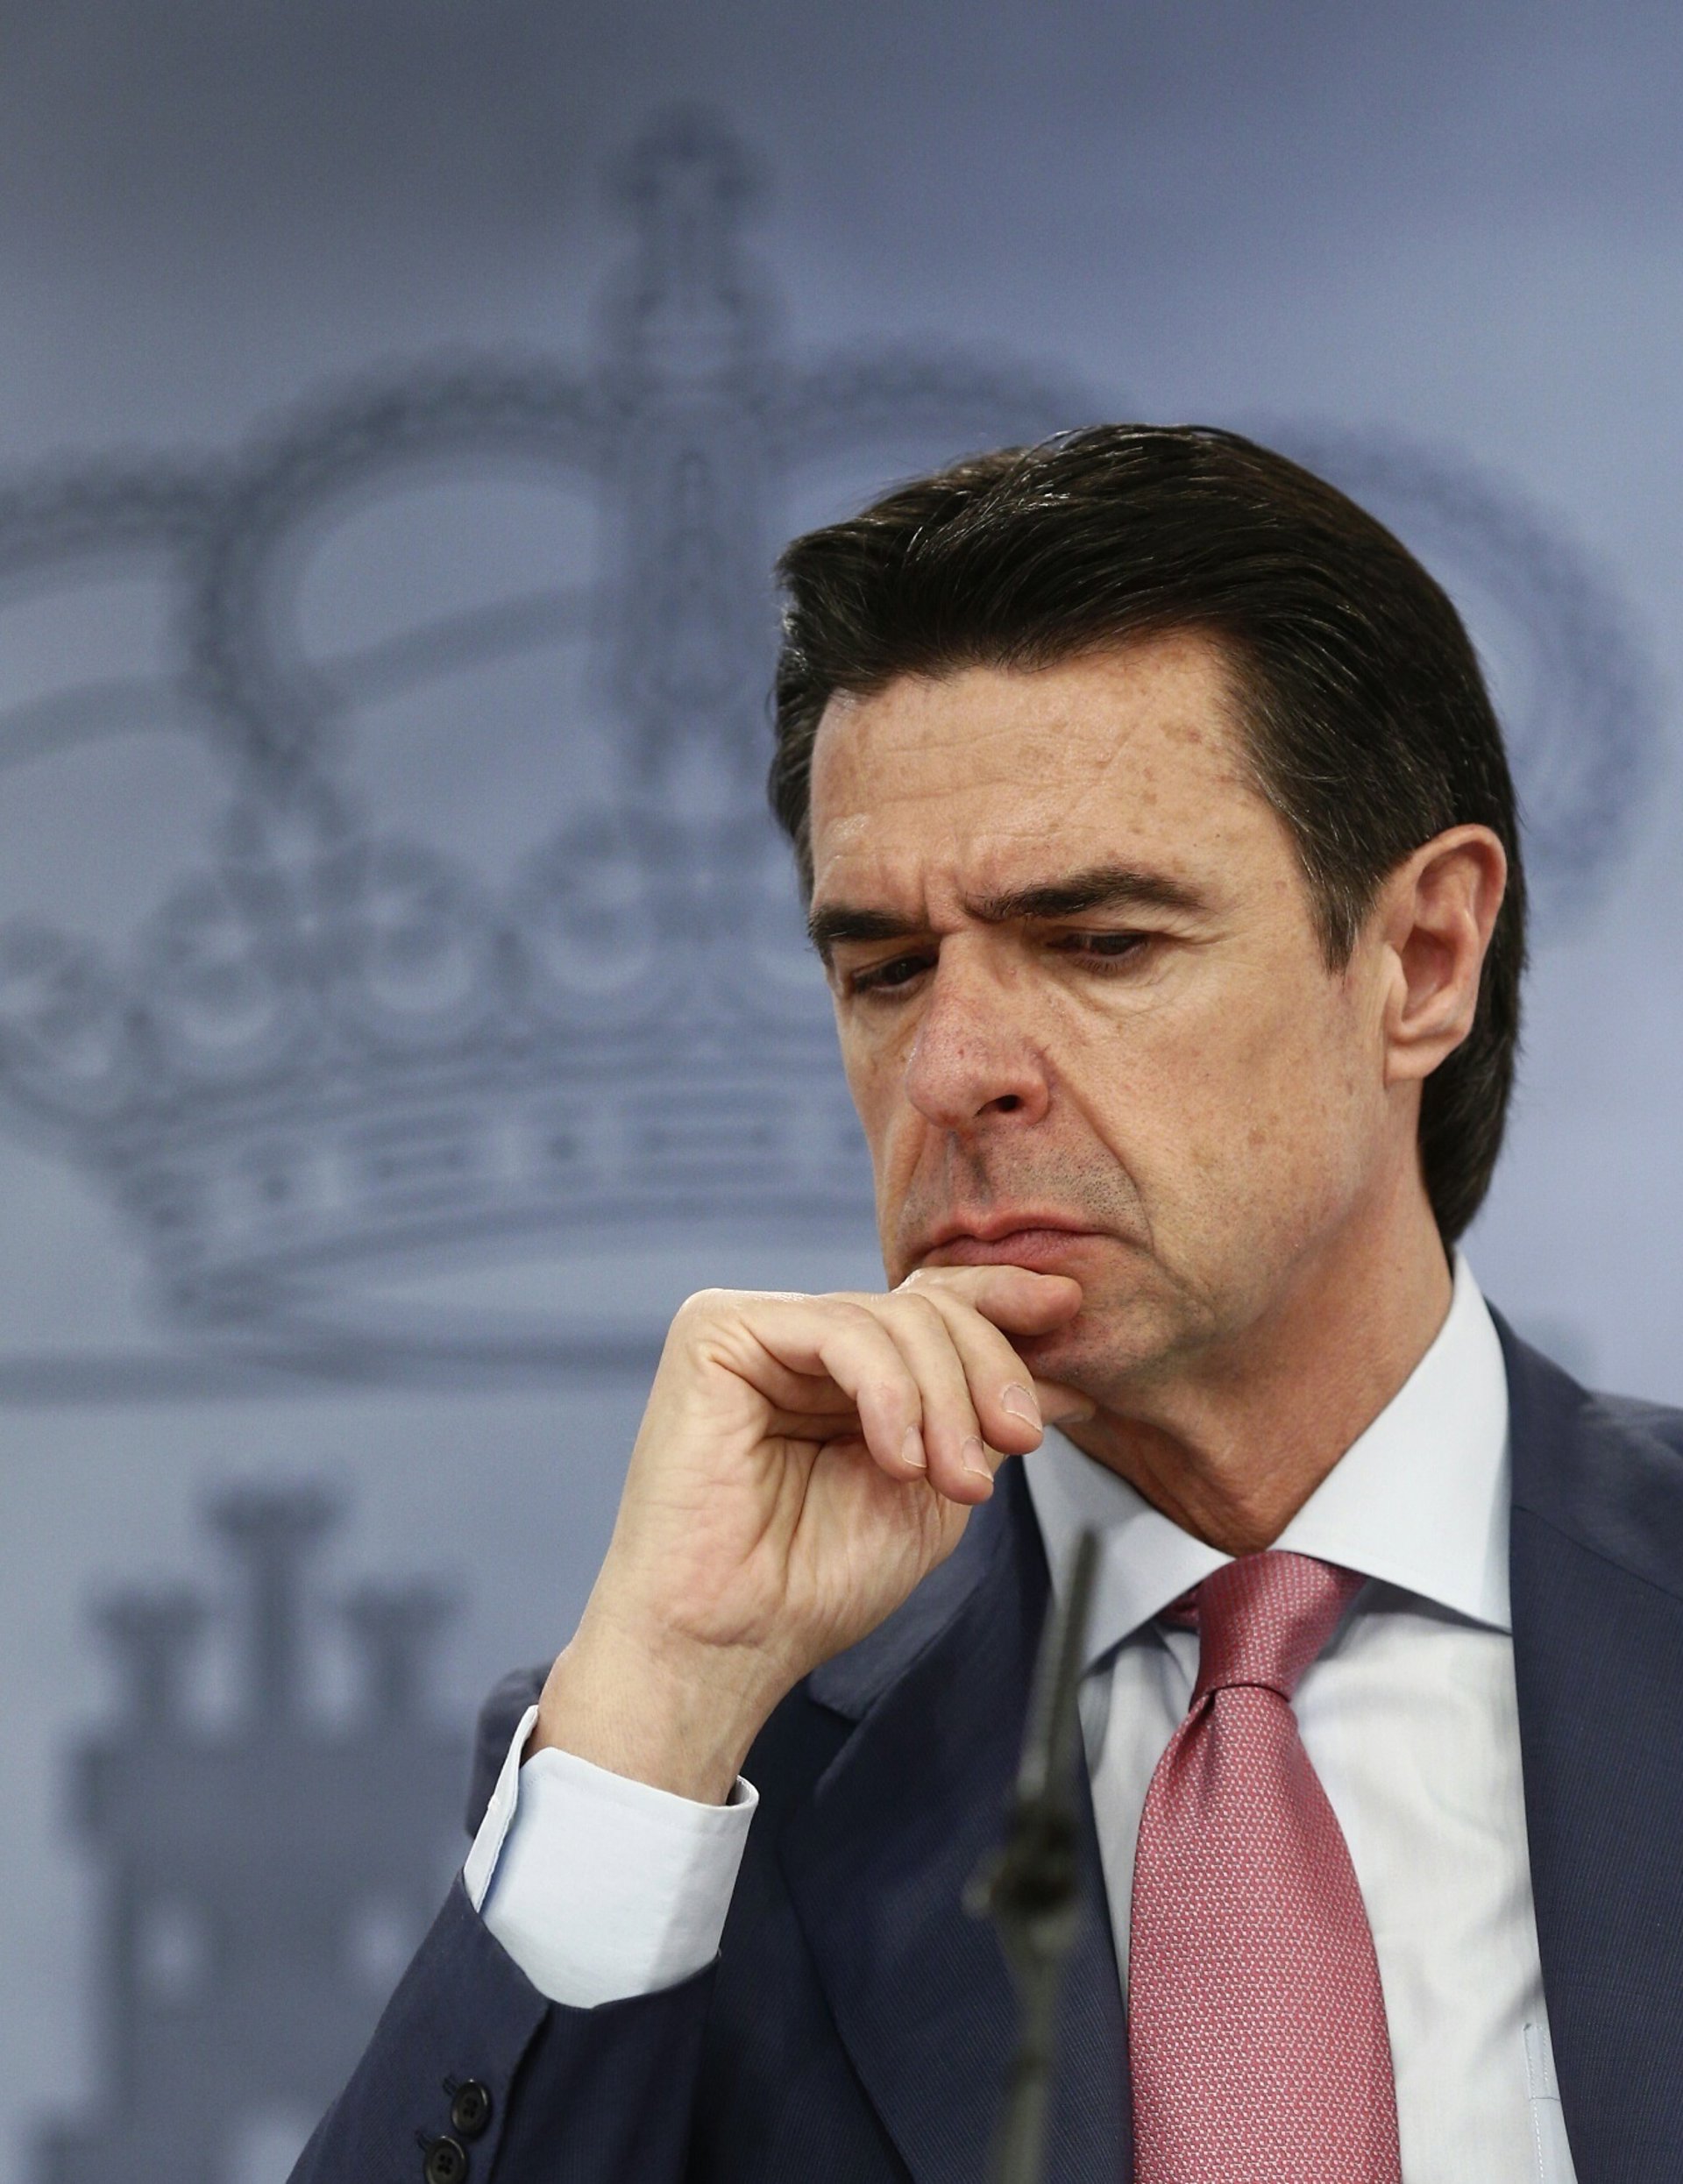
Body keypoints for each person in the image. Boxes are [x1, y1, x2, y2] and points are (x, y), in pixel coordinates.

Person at [291, 427, 1683, 2184]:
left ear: (1420, 958)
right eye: (885, 969)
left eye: (1103, 943)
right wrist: (662, 1711)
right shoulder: (693, 1772)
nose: (951, 1070)